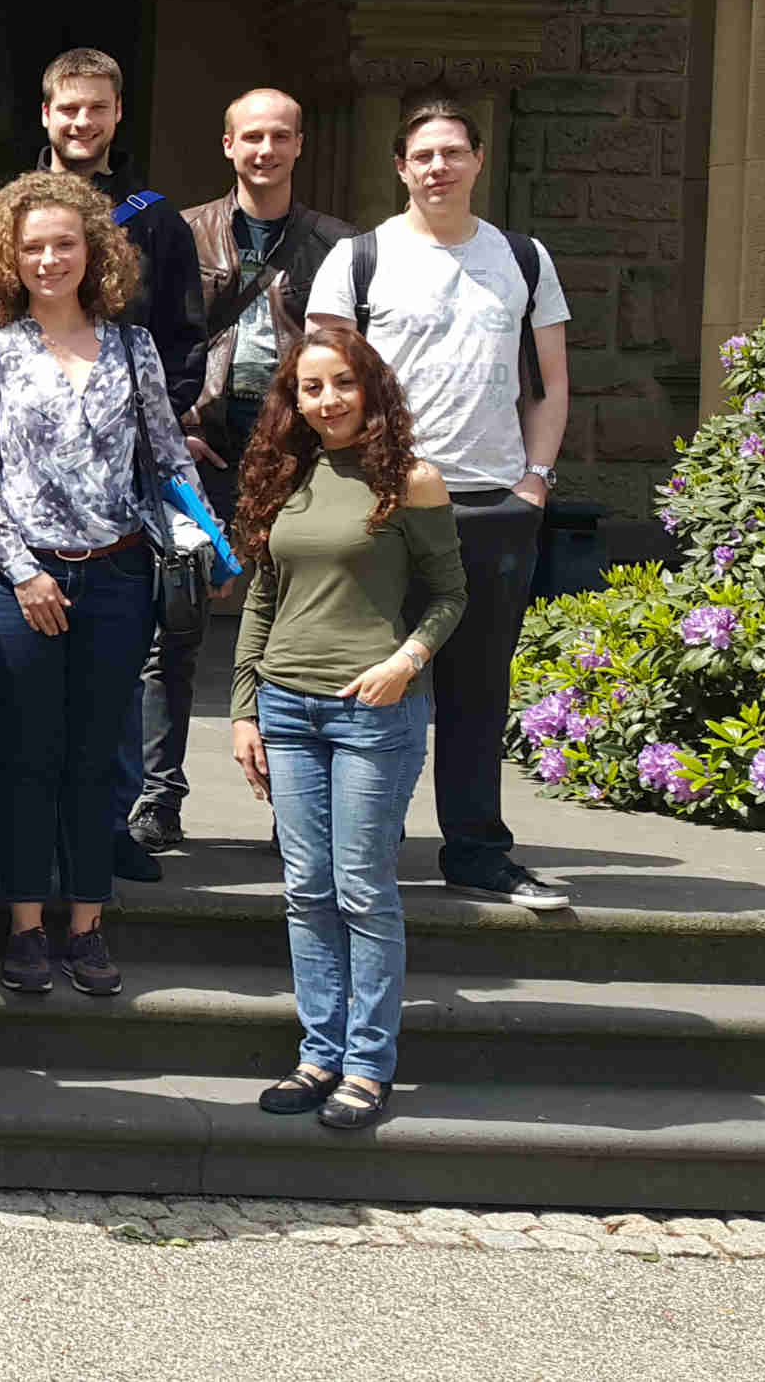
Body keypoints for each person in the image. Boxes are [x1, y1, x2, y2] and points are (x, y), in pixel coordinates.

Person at [305, 99, 572, 912]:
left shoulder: (522, 259)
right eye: (423, 155)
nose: (438, 168)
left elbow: (552, 384)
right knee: (360, 683)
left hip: (493, 502)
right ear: (401, 167)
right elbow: (317, 384)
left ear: (478, 159)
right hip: (382, 503)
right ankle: (360, 852)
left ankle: (477, 851)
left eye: (453, 152)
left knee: (476, 690)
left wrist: (534, 481)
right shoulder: (359, 259)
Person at [0, 172, 199, 998]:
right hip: (24, 583)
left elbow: (166, 459)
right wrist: (21, 571)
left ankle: (87, 926)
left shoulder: (135, 347)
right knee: (24, 759)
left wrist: (200, 535)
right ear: (9, 259)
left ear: (93, 251)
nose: (50, 259)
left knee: (98, 760)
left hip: (118, 576)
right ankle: (25, 927)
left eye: (65, 243)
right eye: (33, 248)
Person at [229, 325, 464, 1133]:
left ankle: (368, 1067)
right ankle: (318, 1054)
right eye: (310, 388)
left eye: (341, 384)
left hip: (374, 709)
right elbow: (262, 601)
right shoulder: (284, 479)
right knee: (306, 890)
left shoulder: (413, 481)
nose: (327, 401)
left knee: (363, 890)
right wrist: (242, 708)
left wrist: (408, 660)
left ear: (371, 387)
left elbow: (449, 595)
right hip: (287, 707)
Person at [135, 87, 354, 852]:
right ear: (227, 145)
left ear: (299, 146)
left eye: (280, 137)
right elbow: (153, 338)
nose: (265, 150)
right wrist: (173, 430)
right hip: (200, 450)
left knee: (297, 627)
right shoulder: (181, 230)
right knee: (175, 626)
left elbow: (354, 354)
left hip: (296, 456)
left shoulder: (338, 243)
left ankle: (298, 802)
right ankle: (158, 798)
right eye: (251, 137)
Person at [26, 49, 203, 414]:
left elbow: (184, 341)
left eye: (98, 108)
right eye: (69, 109)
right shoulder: (5, 214)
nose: (83, 121)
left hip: (127, 438)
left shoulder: (159, 221)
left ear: (118, 111)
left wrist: (148, 422)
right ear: (46, 114)